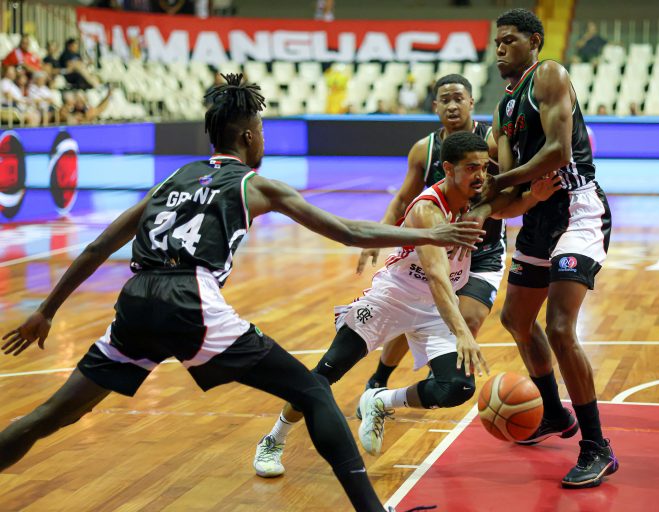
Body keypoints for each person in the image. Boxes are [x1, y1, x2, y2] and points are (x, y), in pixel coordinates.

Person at [0, 74, 484, 512]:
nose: (264, 140)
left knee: (52, 414)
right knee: (313, 391)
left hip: (135, 299)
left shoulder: (171, 180)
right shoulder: (255, 185)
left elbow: (97, 247)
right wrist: (429, 234)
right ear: (249, 136)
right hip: (190, 298)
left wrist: (46, 310)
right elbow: (349, 231)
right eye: (262, 131)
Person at [253, 132, 561, 478]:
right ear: (448, 169)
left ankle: (381, 400)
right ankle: (273, 439)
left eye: (484, 167)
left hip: (432, 309)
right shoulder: (428, 210)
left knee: (457, 387)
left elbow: (507, 208)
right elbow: (438, 278)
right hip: (394, 299)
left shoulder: (476, 195)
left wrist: (533, 198)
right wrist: (462, 332)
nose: (480, 175)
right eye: (471, 168)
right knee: (328, 371)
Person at [479, 8, 617, 489]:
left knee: (559, 327)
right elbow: (504, 192)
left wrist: (503, 183)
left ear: (534, 41)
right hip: (538, 216)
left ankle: (597, 447)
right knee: (516, 319)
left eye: (510, 40)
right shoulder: (502, 110)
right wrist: (489, 199)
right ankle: (555, 413)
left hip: (577, 208)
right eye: (497, 42)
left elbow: (559, 151)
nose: (500, 49)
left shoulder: (550, 75)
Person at [354, 74, 518, 401]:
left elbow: (512, 190)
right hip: (436, 251)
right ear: (435, 106)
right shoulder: (424, 150)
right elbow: (403, 200)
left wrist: (483, 210)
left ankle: (436, 380)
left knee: (468, 319)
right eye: (445, 100)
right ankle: (379, 379)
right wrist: (378, 234)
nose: (452, 106)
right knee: (412, 317)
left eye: (458, 98)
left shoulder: (490, 143)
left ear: (471, 102)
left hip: (482, 251)